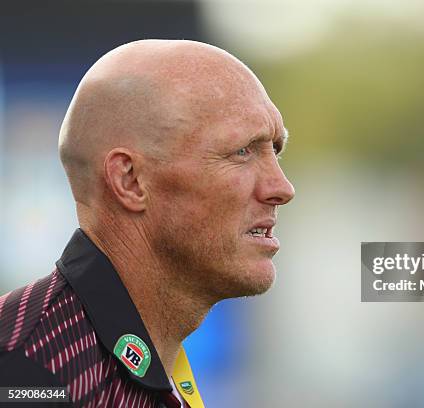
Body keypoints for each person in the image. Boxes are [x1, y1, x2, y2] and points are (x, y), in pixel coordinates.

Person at [0, 39, 295, 407]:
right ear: (130, 180)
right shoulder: (24, 370)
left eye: (275, 150)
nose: (282, 188)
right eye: (242, 151)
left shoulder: (155, 368)